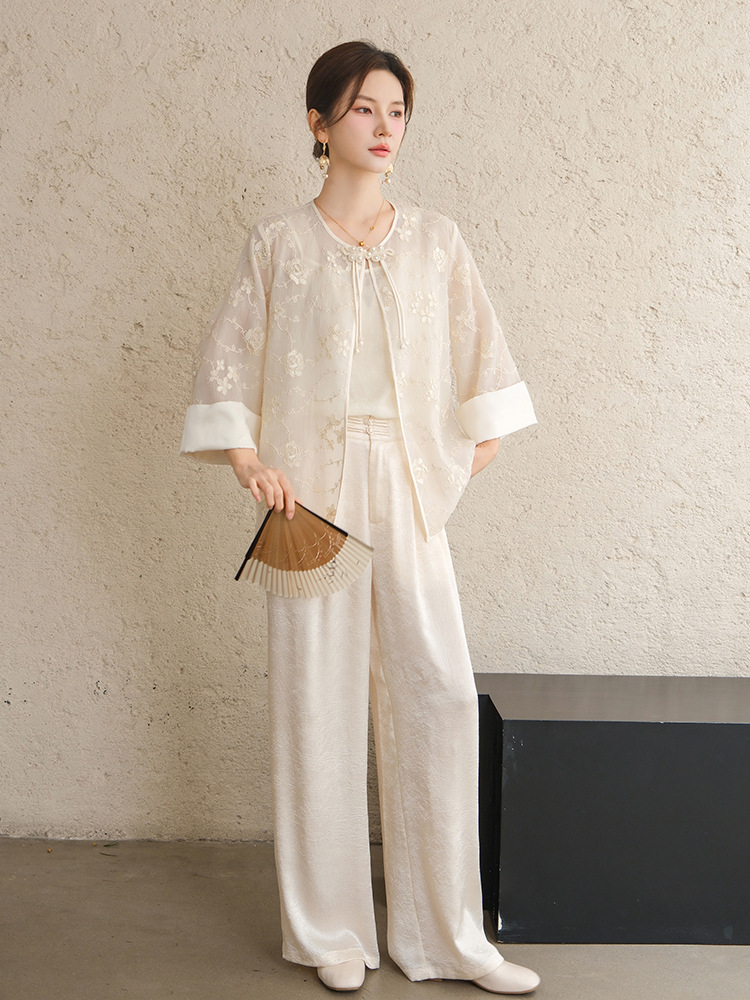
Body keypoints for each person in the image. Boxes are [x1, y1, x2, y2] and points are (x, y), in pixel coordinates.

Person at [180, 40, 540, 995]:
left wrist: (466, 454)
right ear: (319, 122)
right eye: (365, 109)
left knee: (439, 694)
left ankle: (447, 937)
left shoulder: (437, 241)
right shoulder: (278, 246)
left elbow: (486, 370)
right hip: (311, 500)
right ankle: (330, 931)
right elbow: (227, 369)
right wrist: (250, 462)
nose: (386, 128)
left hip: (411, 486)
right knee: (317, 701)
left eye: (397, 111)